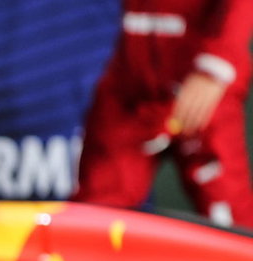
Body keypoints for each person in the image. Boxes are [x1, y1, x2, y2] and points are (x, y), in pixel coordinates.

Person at [72, 0, 253, 226]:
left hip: (202, 89)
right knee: (98, 215)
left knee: (231, 219)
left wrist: (215, 66)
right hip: (131, 89)